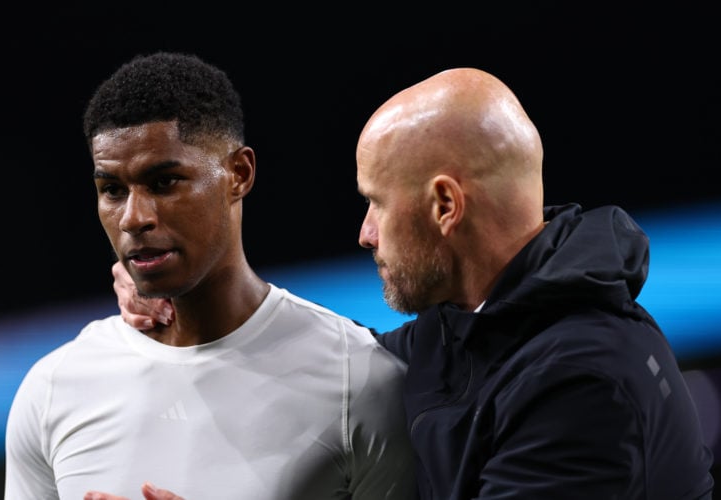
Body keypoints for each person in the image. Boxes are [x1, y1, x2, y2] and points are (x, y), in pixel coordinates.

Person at [115, 66, 716, 498]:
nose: (366, 232)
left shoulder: (583, 383)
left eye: (376, 203)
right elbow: (337, 359)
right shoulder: (476, 323)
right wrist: (190, 301)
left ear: (445, 206)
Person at [3, 51, 416, 500]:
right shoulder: (53, 388)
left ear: (238, 174)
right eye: (112, 190)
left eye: (164, 183)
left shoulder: (359, 381)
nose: (132, 217)